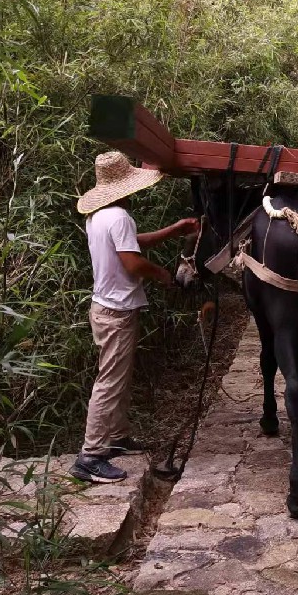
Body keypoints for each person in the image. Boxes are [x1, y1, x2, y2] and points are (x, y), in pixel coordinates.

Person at [70, 151, 199, 485]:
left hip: (105, 308)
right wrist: (161, 274)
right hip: (117, 311)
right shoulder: (121, 218)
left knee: (118, 377)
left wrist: (172, 230)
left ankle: (116, 436)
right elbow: (132, 262)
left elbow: (130, 244)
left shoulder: (99, 217)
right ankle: (91, 456)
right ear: (126, 185)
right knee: (110, 381)